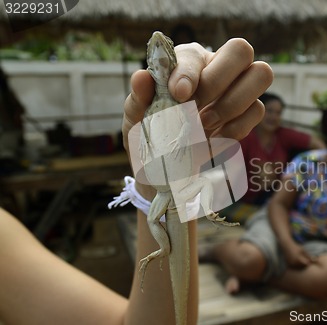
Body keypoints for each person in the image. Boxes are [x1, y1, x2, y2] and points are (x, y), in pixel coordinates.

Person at [0, 38, 273, 325]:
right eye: (154, 49)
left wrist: (150, 178)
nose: (158, 44)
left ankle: (201, 224)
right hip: (166, 195)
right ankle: (167, 245)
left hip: (169, 187)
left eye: (165, 44)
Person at [205, 112, 327, 299]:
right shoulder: (308, 163)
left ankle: (257, 275)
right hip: (280, 225)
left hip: (323, 239)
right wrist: (288, 246)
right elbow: (278, 205)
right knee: (248, 260)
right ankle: (216, 252)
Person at [225, 92, 326, 222]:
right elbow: (230, 174)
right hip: (250, 198)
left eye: (278, 113)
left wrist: (323, 169)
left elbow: (317, 143)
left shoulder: (283, 135)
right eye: (270, 111)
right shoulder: (246, 138)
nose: (274, 117)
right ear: (258, 112)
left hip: (279, 193)